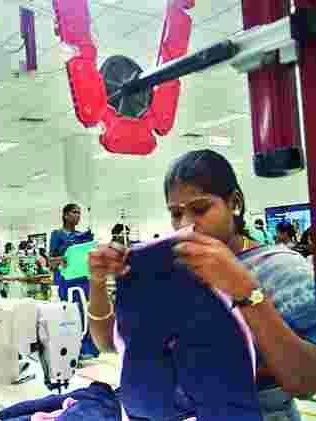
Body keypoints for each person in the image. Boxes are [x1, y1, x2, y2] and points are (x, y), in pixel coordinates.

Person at [88, 150, 316, 420]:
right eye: (176, 213)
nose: (185, 224)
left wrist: (246, 292)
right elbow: (109, 344)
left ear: (234, 202)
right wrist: (98, 282)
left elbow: (306, 383)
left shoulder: (282, 269)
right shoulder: (173, 271)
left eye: (200, 209)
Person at [50, 203, 99, 359]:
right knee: (70, 314)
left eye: (79, 213)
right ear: (65, 215)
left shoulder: (82, 236)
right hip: (65, 279)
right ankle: (72, 350)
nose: (78, 215)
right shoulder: (57, 234)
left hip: (82, 278)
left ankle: (87, 349)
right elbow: (51, 262)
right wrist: (61, 259)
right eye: (74, 212)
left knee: (86, 311)